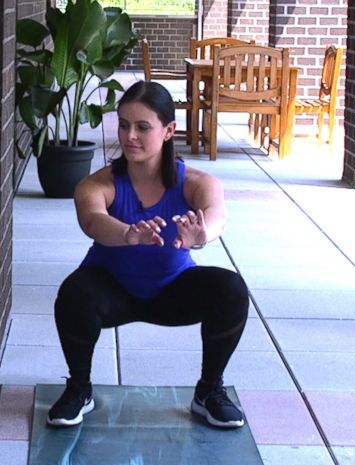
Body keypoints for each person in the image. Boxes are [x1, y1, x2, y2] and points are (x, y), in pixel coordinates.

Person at [47, 80, 250, 429]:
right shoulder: (97, 183)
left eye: (143, 127)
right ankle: (79, 389)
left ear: (169, 130)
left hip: (171, 290)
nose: (130, 137)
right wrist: (127, 234)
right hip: (111, 292)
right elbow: (93, 221)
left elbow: (215, 215)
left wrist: (201, 234)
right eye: (124, 125)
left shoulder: (197, 182)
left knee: (231, 289)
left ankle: (208, 392)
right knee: (73, 292)